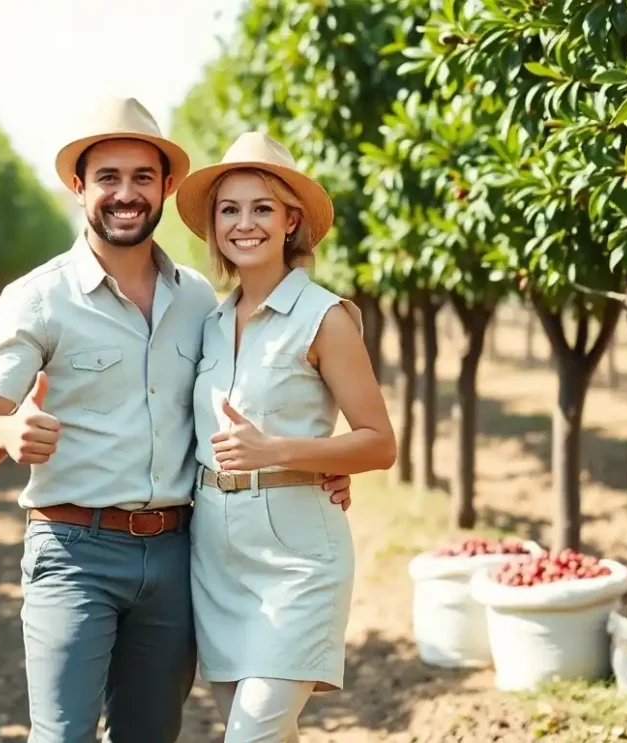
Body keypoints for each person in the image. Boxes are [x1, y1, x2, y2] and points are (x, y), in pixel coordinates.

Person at [0, 98, 354, 742]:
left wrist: (315, 463)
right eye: (107, 177)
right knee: (63, 736)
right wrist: (6, 432)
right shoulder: (38, 298)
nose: (125, 194)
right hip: (74, 551)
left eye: (142, 177)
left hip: (176, 555)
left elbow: (257, 396)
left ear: (166, 187)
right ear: (79, 187)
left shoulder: (199, 299)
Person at [173, 131, 397, 742]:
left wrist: (279, 451)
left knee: (252, 735)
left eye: (262, 208)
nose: (244, 224)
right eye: (229, 210)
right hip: (215, 555)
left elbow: (380, 442)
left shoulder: (324, 317)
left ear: (290, 221)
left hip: (298, 556)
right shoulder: (210, 322)